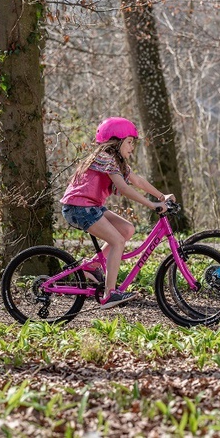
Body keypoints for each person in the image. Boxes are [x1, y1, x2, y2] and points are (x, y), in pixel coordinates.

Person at [60, 117, 175, 309]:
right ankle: (109, 294)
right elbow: (124, 188)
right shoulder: (105, 156)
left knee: (126, 230)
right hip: (79, 208)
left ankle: (92, 266)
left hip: (91, 207)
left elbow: (138, 181)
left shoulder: (117, 161)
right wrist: (152, 204)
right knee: (117, 241)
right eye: (129, 142)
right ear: (117, 141)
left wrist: (162, 196)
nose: (132, 147)